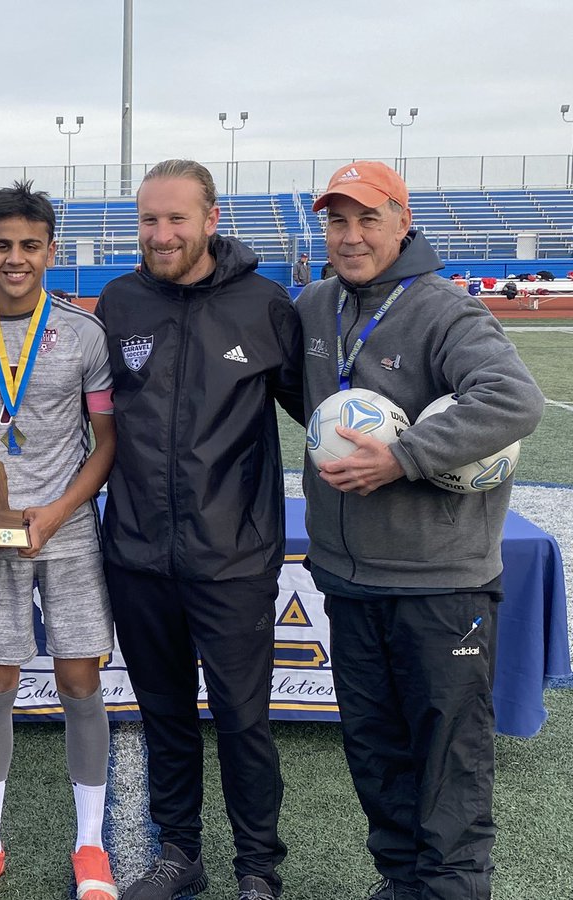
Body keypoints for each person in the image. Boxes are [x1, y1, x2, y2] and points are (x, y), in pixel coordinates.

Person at [296, 161, 544, 900]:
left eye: (368, 219)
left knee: (449, 761)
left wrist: (403, 457)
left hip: (442, 584)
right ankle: (402, 884)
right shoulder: (316, 305)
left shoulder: (444, 310)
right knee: (377, 753)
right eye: (337, 221)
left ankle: (451, 890)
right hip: (348, 577)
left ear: (403, 223)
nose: (350, 236)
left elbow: (514, 399)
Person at [94, 159, 305, 900]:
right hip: (138, 554)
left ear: (212, 220)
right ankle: (179, 852)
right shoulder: (119, 302)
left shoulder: (265, 305)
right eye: (148, 220)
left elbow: (325, 416)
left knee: (244, 721)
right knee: (165, 715)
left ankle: (257, 869)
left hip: (234, 558)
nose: (161, 234)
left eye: (176, 218)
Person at [0, 182, 118, 900]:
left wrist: (55, 512)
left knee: (80, 682)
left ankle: (90, 845)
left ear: (50, 250)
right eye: (1, 245)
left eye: (28, 245)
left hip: (68, 534)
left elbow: (106, 442)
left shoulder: (83, 334)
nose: (14, 258)